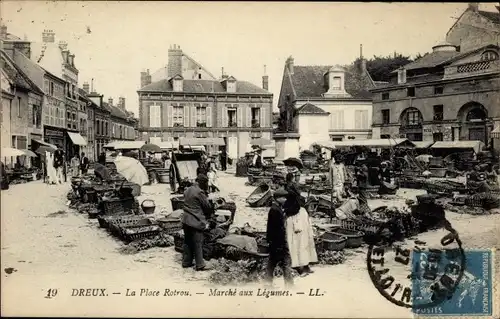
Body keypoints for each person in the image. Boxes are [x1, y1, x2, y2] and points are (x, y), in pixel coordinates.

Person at [283, 172, 318, 275]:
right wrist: (303, 201)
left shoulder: (293, 189)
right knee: (298, 242)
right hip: (295, 218)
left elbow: (300, 201)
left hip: (300, 216)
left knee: (304, 241)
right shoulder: (290, 191)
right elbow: (294, 204)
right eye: (295, 178)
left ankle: (305, 265)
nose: (297, 180)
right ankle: (300, 267)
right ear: (292, 179)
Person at [181, 174, 214, 271]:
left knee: (187, 241)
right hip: (195, 220)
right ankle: (200, 264)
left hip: (186, 219)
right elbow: (207, 206)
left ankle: (186, 262)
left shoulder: (188, 190)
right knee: (198, 242)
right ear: (202, 183)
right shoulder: (199, 192)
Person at [266, 188, 293, 287]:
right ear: (277, 198)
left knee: (272, 264)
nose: (285, 199)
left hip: (275, 242)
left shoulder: (276, 208)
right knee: (285, 263)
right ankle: (289, 285)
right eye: (283, 197)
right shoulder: (275, 210)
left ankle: (268, 283)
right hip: (278, 242)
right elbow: (277, 229)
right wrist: (281, 243)